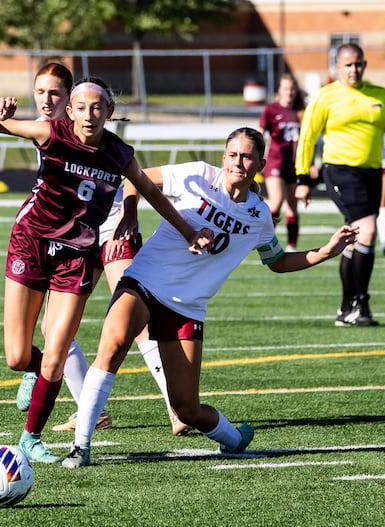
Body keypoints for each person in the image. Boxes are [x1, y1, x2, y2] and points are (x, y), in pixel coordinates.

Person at [60, 127, 359, 468]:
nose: (238, 162)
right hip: (143, 280)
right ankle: (80, 446)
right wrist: (129, 212)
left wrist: (326, 251)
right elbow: (136, 179)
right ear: (223, 157)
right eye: (232, 155)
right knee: (112, 347)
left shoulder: (259, 215)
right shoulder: (198, 174)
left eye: (247, 156)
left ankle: (234, 438)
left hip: (186, 308)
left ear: (260, 163)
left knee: (186, 408)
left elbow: (276, 262)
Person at [0, 77, 212, 463]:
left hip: (76, 256)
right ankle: (41, 376)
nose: (89, 114)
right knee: (17, 356)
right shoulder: (50, 133)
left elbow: (150, 191)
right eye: (81, 107)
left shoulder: (119, 153)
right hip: (30, 244)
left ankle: (31, 437)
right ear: (70, 110)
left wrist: (188, 231)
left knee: (57, 351)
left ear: (109, 112)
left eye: (97, 107)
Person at [27, 62, 190, 436]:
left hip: (113, 232)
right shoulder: (45, 131)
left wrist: (130, 210)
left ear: (71, 97)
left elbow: (139, 179)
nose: (47, 99)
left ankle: (178, 407)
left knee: (135, 322)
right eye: (41, 93)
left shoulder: (100, 133)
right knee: (53, 331)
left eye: (55, 92)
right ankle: (90, 408)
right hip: (75, 242)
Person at [294, 43, 385, 327]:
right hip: (340, 172)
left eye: (359, 63)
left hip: (372, 174)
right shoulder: (326, 97)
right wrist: (302, 178)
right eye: (348, 64)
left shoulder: (380, 95)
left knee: (352, 239)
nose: (354, 69)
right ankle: (361, 303)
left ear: (365, 64)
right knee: (368, 230)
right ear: (337, 67)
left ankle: (345, 308)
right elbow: (307, 138)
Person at [259, 73, 314, 252]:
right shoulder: (271, 110)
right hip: (275, 162)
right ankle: (266, 241)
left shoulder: (301, 113)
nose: (289, 92)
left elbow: (308, 140)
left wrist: (311, 163)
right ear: (279, 90)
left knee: (293, 207)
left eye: (292, 89)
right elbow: (259, 135)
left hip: (295, 165)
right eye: (285, 88)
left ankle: (291, 246)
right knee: (276, 201)